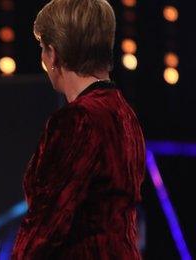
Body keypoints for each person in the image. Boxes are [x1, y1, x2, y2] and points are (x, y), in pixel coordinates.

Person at [11, 0, 145, 259]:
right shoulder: (124, 112)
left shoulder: (77, 119)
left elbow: (47, 223)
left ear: (54, 54)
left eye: (42, 48)